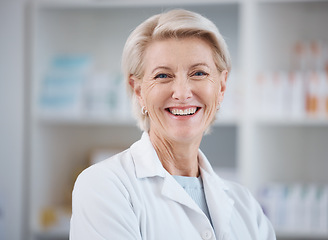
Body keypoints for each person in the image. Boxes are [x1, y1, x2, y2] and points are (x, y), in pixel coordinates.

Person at [70, 9, 276, 240]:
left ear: (221, 87)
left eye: (198, 73)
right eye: (162, 76)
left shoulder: (245, 205)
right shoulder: (104, 186)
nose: (182, 93)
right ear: (138, 91)